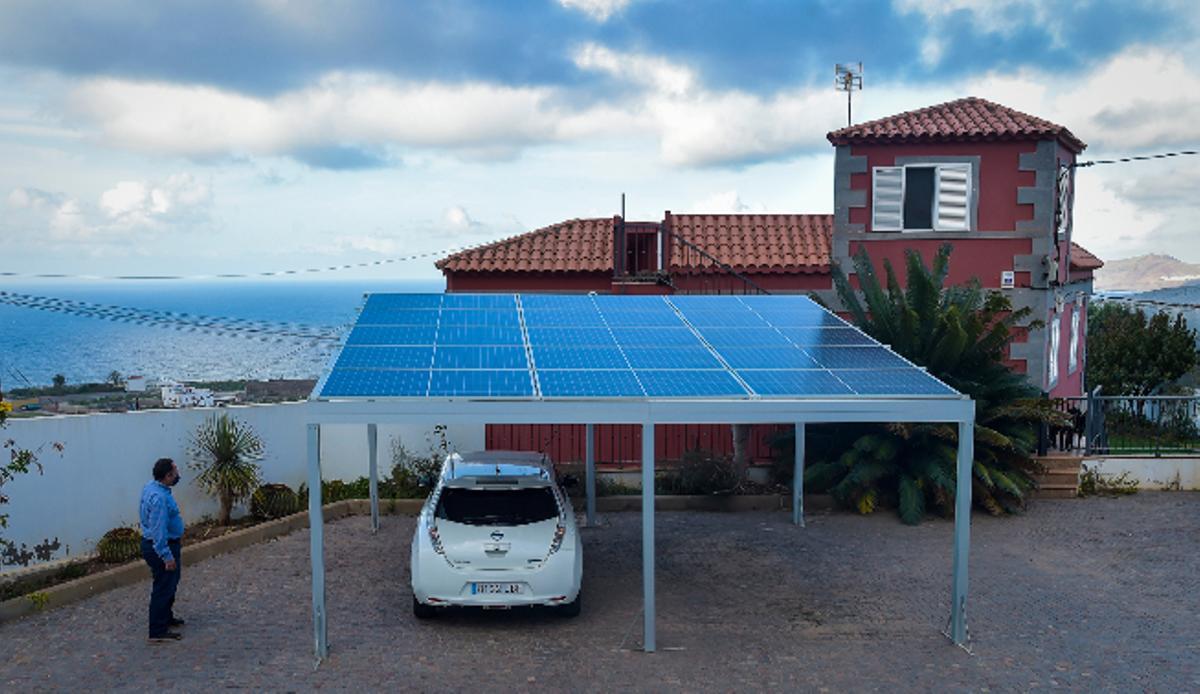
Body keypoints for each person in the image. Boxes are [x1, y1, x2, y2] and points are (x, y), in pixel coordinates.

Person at [140, 457, 186, 642]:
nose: (178, 475)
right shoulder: (158, 498)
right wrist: (167, 556)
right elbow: (159, 531)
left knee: (170, 584)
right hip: (161, 546)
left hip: (160, 544)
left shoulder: (152, 487)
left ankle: (166, 617)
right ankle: (157, 630)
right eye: (175, 473)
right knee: (163, 587)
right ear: (167, 476)